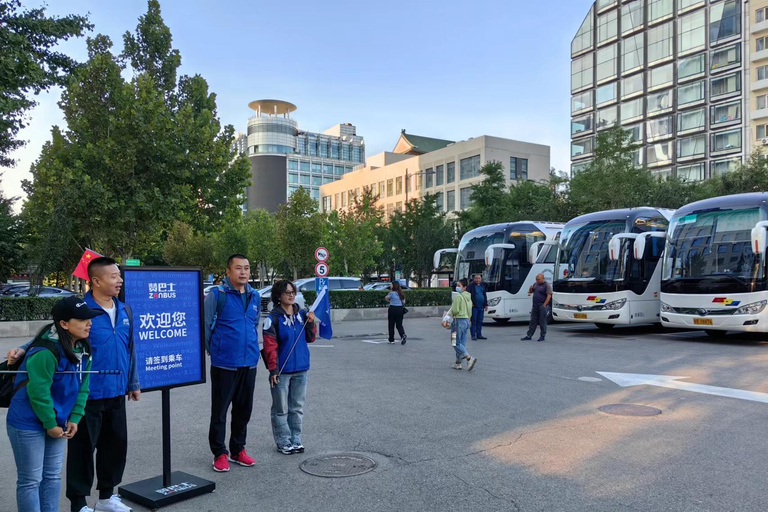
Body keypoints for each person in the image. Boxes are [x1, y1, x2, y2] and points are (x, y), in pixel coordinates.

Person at [6, 297, 98, 512]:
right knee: (31, 479)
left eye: (89, 318)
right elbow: (39, 393)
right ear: (64, 324)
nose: (89, 323)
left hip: (58, 421)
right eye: (82, 319)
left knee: (52, 476)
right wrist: (50, 424)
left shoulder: (83, 347)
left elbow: (84, 385)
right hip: (27, 422)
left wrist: (75, 417)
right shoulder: (45, 351)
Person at [204, 254, 261, 473]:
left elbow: (253, 324)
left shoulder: (254, 296)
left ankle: (238, 450)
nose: (244, 272)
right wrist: (216, 350)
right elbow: (206, 326)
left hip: (249, 362)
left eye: (247, 268)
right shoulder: (217, 295)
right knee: (219, 411)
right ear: (228, 271)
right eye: (238, 268)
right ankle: (219, 453)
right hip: (224, 364)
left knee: (243, 410)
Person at [262, 280, 317, 455]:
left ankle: (296, 439)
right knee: (281, 409)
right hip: (281, 372)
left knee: (297, 407)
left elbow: (310, 338)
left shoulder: (301, 314)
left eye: (293, 291)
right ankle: (283, 441)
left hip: (301, 368)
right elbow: (270, 347)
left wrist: (310, 323)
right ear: (279, 296)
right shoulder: (273, 319)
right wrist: (273, 370)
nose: (291, 295)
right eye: (287, 292)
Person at [450, 279, 477, 371]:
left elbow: (455, 310)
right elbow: (470, 312)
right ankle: (458, 363)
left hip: (457, 321)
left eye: (459, 285)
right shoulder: (469, 298)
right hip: (466, 321)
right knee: (461, 343)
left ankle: (469, 358)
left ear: (464, 287)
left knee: (455, 342)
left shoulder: (458, 297)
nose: (457, 287)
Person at [522, 273, 552, 342]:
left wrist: (544, 305)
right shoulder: (535, 284)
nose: (537, 280)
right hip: (535, 306)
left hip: (542, 305)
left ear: (542, 279)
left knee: (542, 321)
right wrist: (530, 289)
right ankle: (529, 335)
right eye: (536, 279)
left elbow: (549, 295)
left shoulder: (546, 285)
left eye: (538, 279)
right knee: (533, 321)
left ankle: (542, 336)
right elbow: (531, 292)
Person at [467, 274, 488, 340]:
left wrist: (485, 304)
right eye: (476, 278)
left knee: (480, 321)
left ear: (481, 279)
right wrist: (471, 303)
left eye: (479, 278)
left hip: (481, 307)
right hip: (474, 307)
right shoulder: (471, 286)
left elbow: (484, 295)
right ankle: (473, 335)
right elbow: (468, 295)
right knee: (474, 321)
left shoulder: (482, 286)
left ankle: (479, 334)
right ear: (474, 279)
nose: (477, 279)